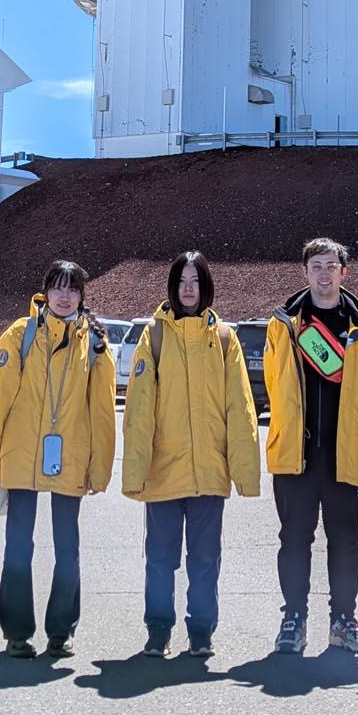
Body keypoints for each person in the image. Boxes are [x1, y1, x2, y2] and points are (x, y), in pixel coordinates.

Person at [121, 251, 260, 658]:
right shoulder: (155, 336)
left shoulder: (223, 339)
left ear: (206, 286)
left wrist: (244, 471)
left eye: (195, 281)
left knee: (204, 560)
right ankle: (158, 630)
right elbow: (139, 409)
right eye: (181, 281)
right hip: (163, 471)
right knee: (160, 560)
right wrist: (136, 471)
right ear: (172, 286)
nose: (187, 288)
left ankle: (201, 632)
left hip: (208, 473)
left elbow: (240, 407)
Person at [0, 260, 117, 659]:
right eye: (57, 287)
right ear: (45, 291)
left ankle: (61, 631)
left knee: (67, 549)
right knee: (18, 547)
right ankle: (18, 633)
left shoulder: (94, 343)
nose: (64, 295)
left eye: (72, 289)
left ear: (82, 295)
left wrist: (100, 469)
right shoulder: (20, 335)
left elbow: (103, 412)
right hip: (20, 460)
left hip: (70, 460)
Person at [262, 236, 358, 656]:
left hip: (344, 453)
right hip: (296, 454)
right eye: (316, 265)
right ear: (305, 272)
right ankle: (293, 618)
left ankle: (343, 619)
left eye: (331, 265)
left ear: (344, 272)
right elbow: (273, 383)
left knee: (345, 540)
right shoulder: (284, 322)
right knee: (294, 539)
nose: (324, 273)